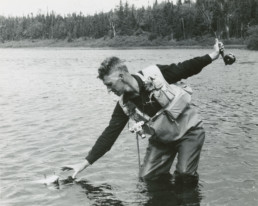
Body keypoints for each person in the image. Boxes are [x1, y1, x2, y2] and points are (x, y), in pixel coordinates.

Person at [62, 39, 223, 185]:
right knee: (147, 179)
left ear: (121, 76)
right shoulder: (123, 105)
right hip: (162, 141)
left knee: (184, 176)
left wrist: (214, 55)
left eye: (109, 85)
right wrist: (83, 164)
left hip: (189, 132)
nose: (109, 90)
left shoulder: (155, 74)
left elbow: (186, 68)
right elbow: (109, 135)